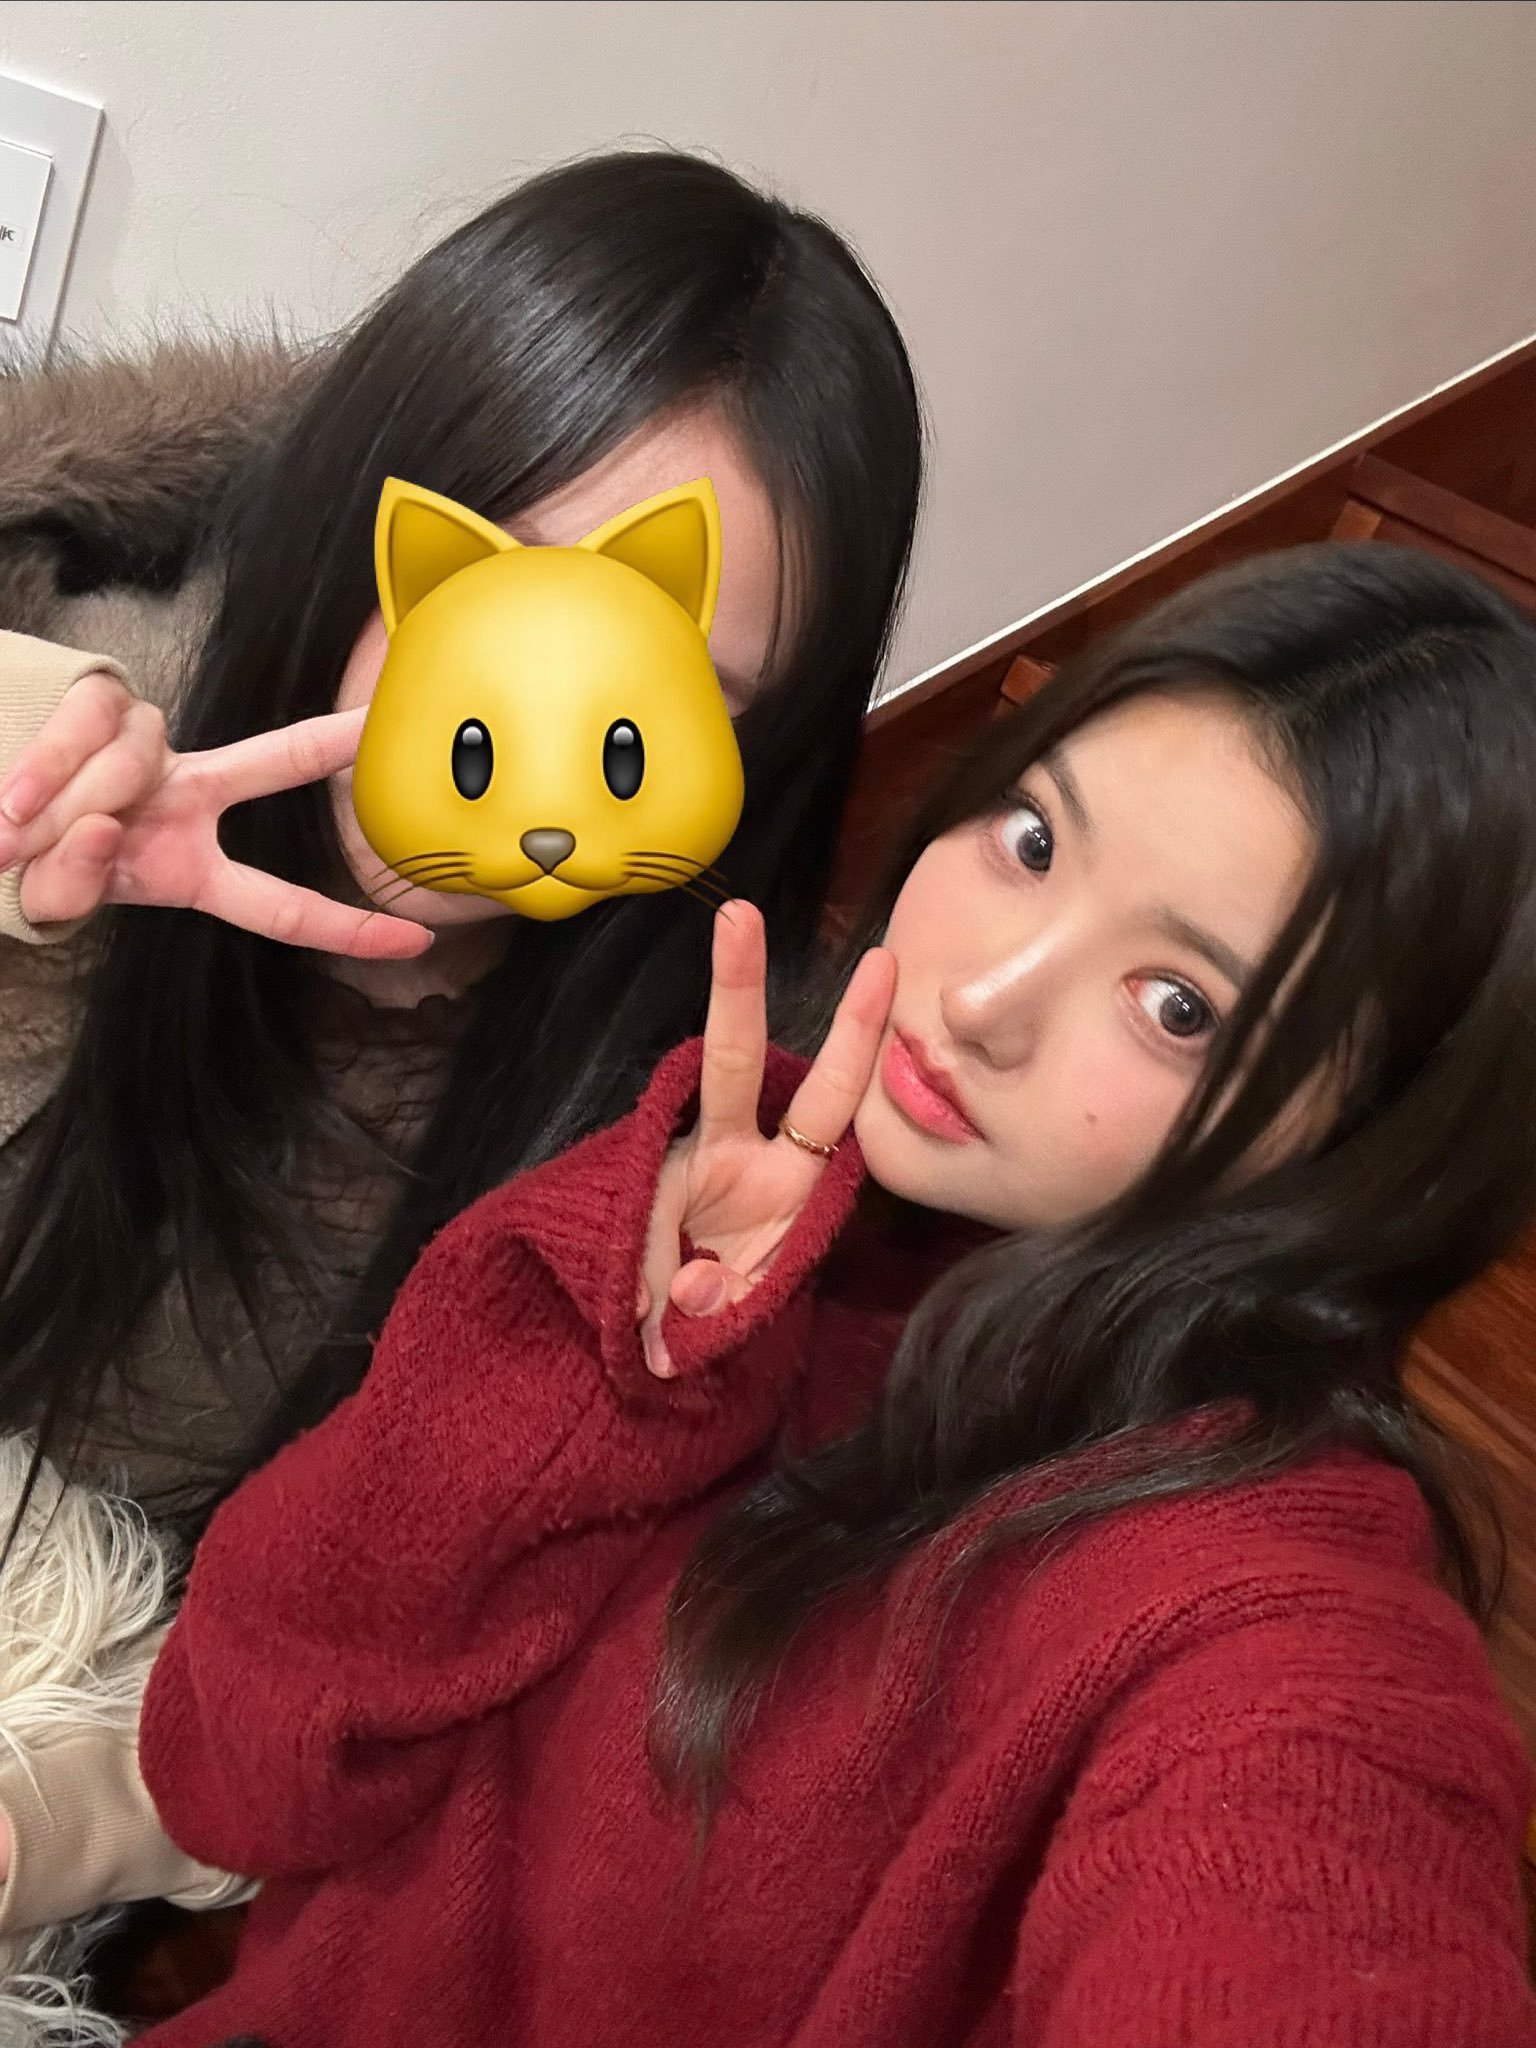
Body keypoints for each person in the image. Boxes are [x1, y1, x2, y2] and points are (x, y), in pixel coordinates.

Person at [132, 544, 1536, 2044]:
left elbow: (1317, 1872)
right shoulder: (731, 1189)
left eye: (1178, 1005)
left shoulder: (1259, 1617)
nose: (983, 998)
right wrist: (606, 1362)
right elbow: (226, 1771)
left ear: (1366, 1144)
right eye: (1033, 840)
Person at [0, 147, 922, 2003]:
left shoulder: (673, 1135)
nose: (538, 756)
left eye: (667, 688)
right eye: (496, 602)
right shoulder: (91, 729)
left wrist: (46, 1834)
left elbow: (369, 1669)